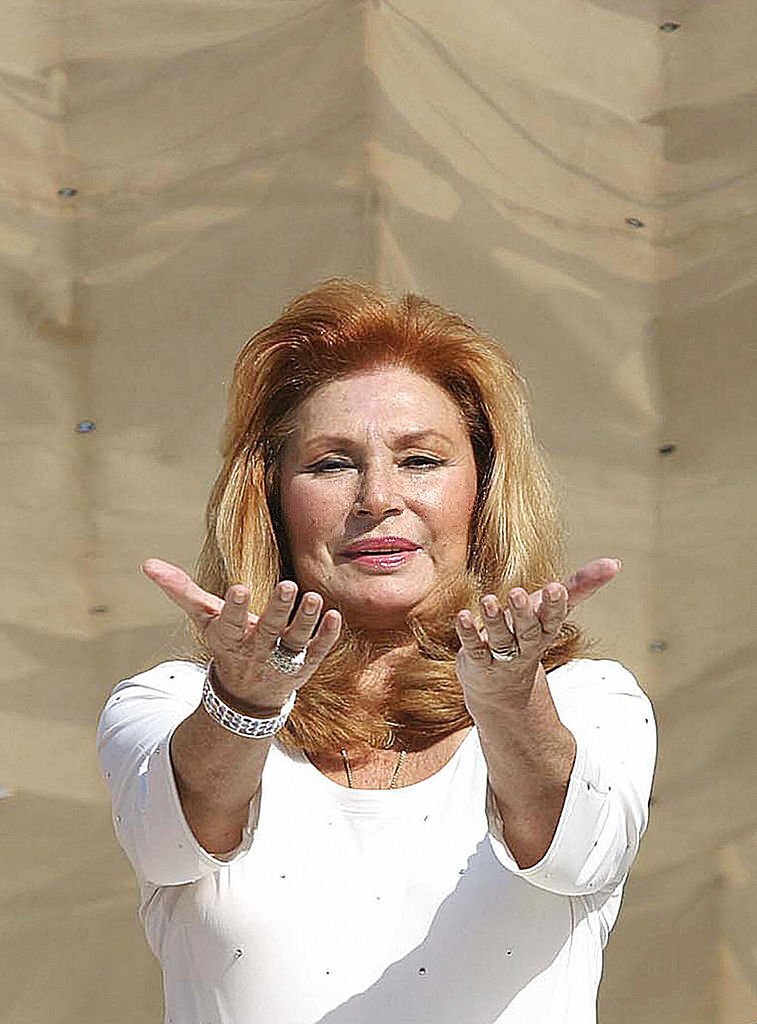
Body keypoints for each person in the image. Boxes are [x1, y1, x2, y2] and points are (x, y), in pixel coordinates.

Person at [97, 277, 656, 1024]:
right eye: (331, 463)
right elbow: (172, 840)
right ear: (270, 500)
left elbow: (579, 853)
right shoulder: (167, 703)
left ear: (482, 489)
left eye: (420, 460)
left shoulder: (591, 700)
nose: (378, 498)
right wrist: (246, 700)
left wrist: (506, 695)